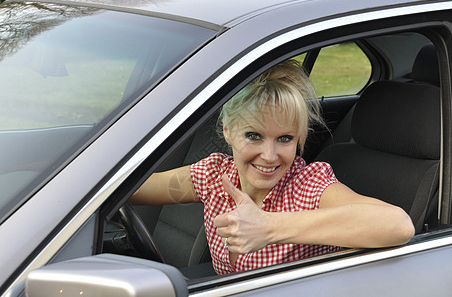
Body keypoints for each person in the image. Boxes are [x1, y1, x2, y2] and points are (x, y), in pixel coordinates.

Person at [131, 59, 415, 275]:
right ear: (228, 131)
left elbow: (397, 225)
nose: (269, 156)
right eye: (254, 136)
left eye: (284, 139)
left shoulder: (308, 184)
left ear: (299, 139)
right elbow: (124, 191)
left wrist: (268, 227)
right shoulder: (215, 175)